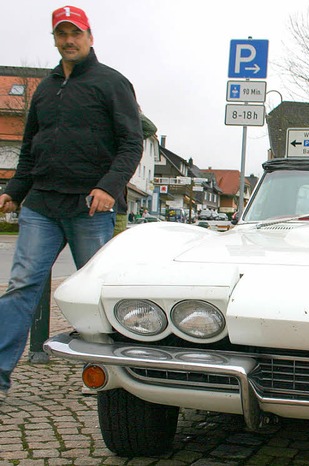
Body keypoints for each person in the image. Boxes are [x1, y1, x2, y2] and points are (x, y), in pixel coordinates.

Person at [0, 5, 143, 402]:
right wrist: (13, 189)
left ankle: (117, 379)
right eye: (61, 34)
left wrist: (108, 187)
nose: (68, 40)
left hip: (90, 207)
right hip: (42, 205)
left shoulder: (112, 83)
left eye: (75, 33)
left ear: (90, 37)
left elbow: (132, 143)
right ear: (55, 39)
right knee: (20, 286)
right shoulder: (44, 89)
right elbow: (29, 149)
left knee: (97, 296)